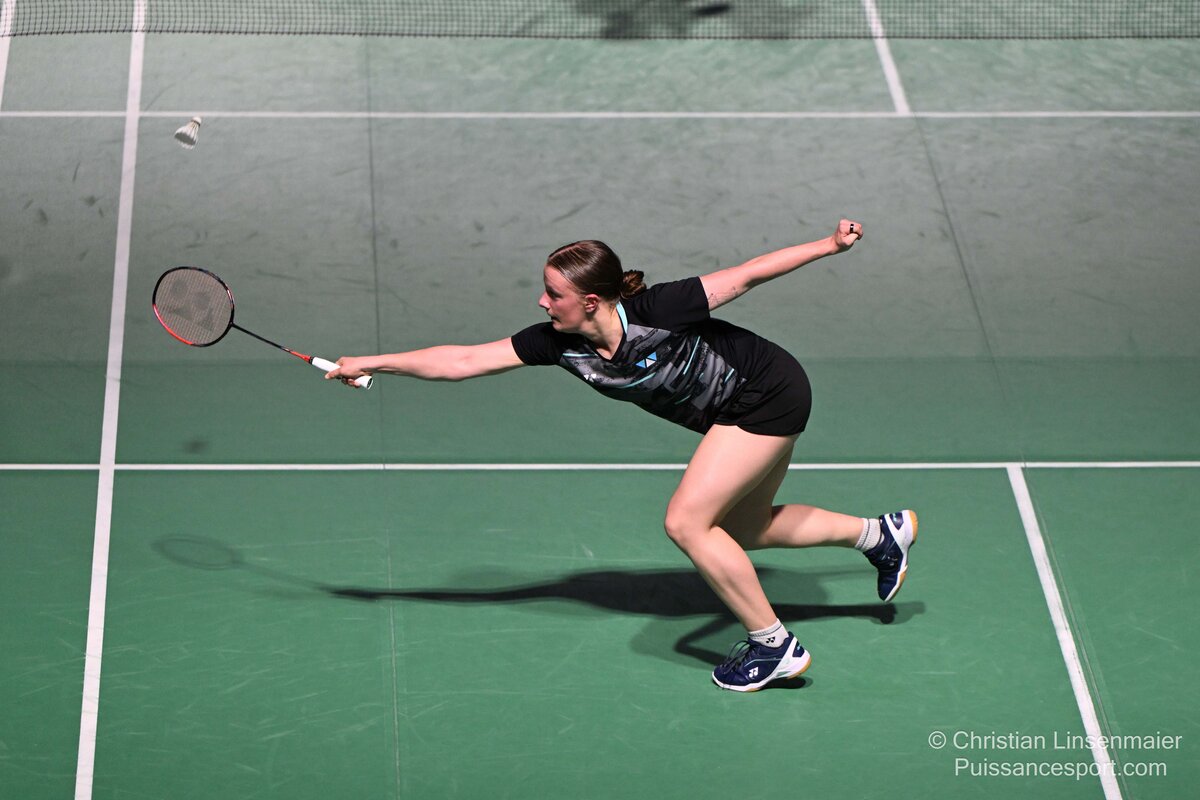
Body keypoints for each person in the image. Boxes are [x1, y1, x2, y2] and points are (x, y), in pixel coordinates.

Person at [326, 219, 917, 692]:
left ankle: (774, 645)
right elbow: (464, 360)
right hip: (741, 408)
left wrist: (829, 245)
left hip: (765, 392)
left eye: (553, 293)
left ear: (589, 301)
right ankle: (878, 535)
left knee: (687, 522)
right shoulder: (558, 344)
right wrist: (374, 362)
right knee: (745, 528)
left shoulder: (660, 309)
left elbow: (745, 276)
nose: (541, 301)